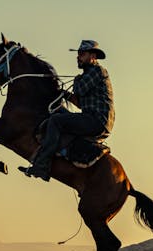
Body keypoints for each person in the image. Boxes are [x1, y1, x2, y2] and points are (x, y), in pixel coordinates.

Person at [20, 40, 115, 179]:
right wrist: (61, 93)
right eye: (78, 54)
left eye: (82, 54)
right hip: (93, 119)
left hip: (97, 121)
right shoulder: (90, 75)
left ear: (93, 56)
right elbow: (80, 103)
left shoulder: (97, 71)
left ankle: (42, 166)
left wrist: (76, 81)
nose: (78, 57)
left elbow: (79, 89)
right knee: (57, 114)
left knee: (56, 121)